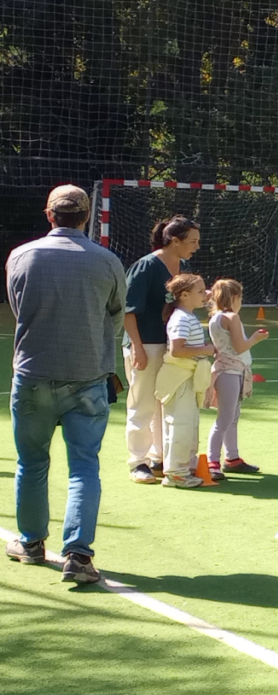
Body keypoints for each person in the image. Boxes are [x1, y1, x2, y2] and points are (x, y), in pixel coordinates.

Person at [5, 185, 126, 584]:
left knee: (32, 462)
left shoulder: (21, 255)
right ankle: (78, 554)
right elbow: (115, 315)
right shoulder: (106, 260)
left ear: (49, 214)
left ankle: (31, 543)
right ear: (87, 217)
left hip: (33, 373)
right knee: (84, 466)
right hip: (87, 376)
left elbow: (19, 307)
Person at [122, 215, 201, 483]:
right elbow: (128, 311)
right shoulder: (146, 266)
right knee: (142, 404)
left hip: (172, 347)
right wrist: (137, 347)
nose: (196, 246)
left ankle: (160, 458)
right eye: (192, 241)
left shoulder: (184, 267)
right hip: (146, 343)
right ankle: (138, 462)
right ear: (174, 241)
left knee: (165, 403)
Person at [155, 274, 214, 489]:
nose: (204, 294)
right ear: (184, 295)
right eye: (200, 291)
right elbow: (177, 350)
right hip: (180, 377)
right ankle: (176, 473)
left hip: (188, 376)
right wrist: (206, 349)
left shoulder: (187, 316)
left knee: (187, 424)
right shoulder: (180, 318)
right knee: (180, 425)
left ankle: (184, 468)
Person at [206, 279, 269, 480]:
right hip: (230, 371)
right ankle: (212, 462)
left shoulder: (215, 317)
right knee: (225, 419)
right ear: (234, 298)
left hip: (229, 370)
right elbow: (240, 346)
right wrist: (256, 338)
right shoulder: (232, 317)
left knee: (232, 417)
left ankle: (232, 458)